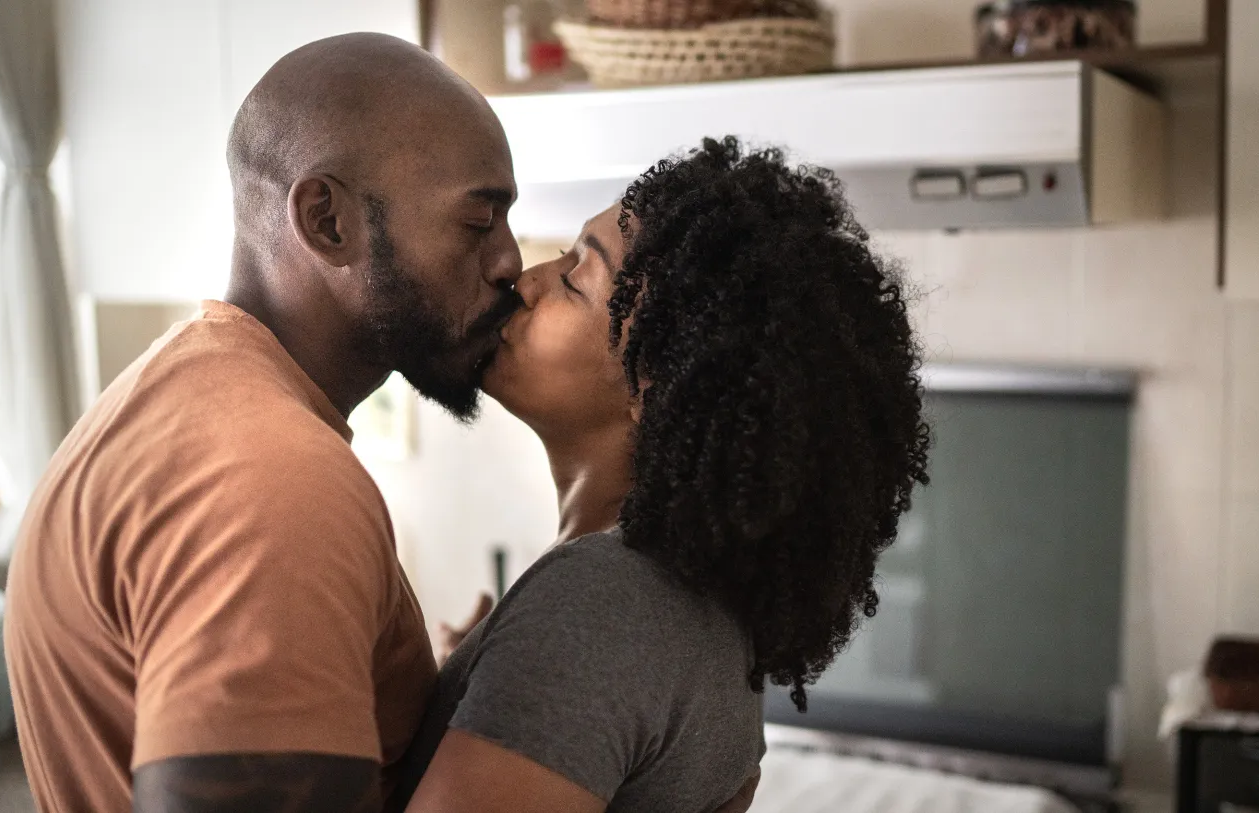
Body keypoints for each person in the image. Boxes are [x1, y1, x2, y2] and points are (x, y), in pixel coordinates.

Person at [2, 34, 523, 812]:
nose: (511, 262)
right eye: (479, 221)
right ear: (327, 220)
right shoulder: (270, 476)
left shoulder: (192, 401)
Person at [394, 137, 932, 813]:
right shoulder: (688, 610)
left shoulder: (601, 601)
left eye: (573, 280)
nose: (526, 282)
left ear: (657, 384)